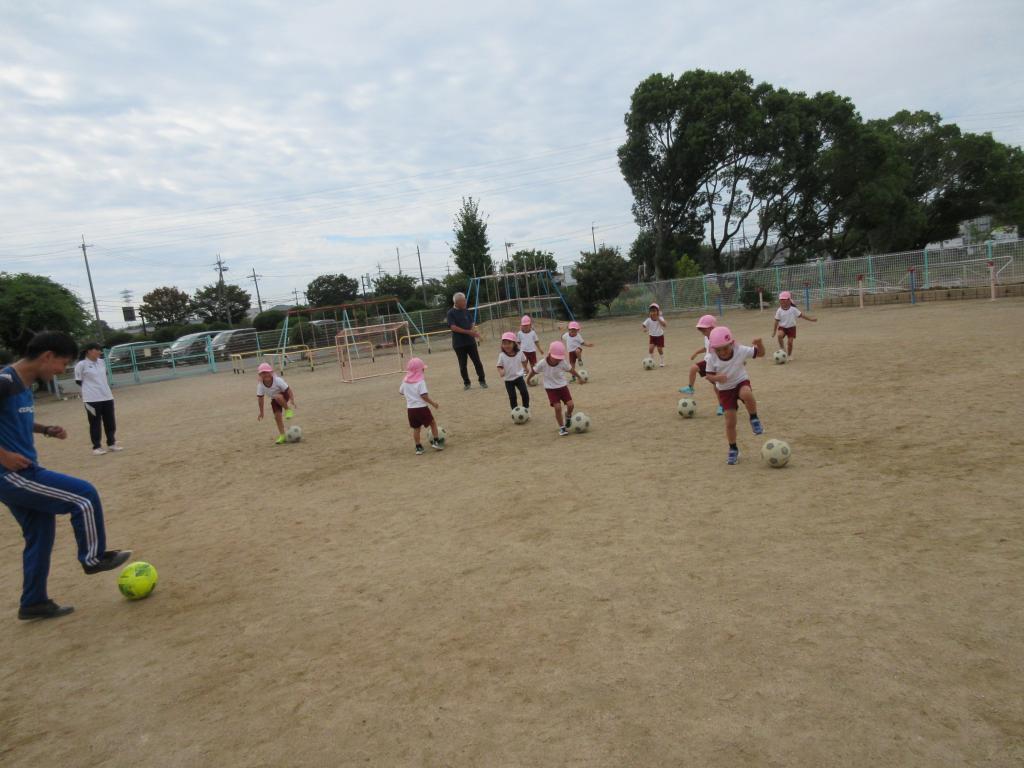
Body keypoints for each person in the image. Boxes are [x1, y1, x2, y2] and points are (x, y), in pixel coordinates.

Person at [0, 331, 132, 620]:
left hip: (23, 470)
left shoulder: (22, 383)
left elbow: (13, 417)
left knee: (40, 534)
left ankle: (33, 602)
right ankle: (94, 558)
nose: (62, 371)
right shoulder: (5, 381)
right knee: (83, 495)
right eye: (62, 363)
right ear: (47, 356)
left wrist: (44, 429)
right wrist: (4, 455)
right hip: (10, 474)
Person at [704, 326, 765, 465]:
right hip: (725, 390)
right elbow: (708, 376)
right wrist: (717, 378)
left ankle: (754, 418)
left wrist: (759, 344)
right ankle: (733, 448)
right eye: (718, 350)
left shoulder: (740, 350)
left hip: (740, 381)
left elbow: (760, 353)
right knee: (730, 422)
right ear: (713, 349)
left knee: (746, 393)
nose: (722, 352)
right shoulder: (712, 358)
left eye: (725, 348)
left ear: (732, 343)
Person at [73, 342, 123, 455]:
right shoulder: (81, 364)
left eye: (100, 350)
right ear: (89, 351)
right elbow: (78, 381)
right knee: (95, 423)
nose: (100, 352)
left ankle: (111, 443)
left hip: (107, 396)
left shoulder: (102, 362)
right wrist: (90, 389)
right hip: (91, 399)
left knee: (110, 421)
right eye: (97, 350)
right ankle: (96, 447)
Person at [527, 340, 583, 437]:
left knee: (571, 405)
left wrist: (579, 377)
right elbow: (534, 371)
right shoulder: (542, 363)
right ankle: (562, 427)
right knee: (557, 407)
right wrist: (528, 379)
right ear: (549, 353)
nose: (557, 360)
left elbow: (571, 370)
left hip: (562, 386)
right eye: (555, 358)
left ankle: (568, 416)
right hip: (551, 389)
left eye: (559, 358)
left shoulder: (562, 362)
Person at [679, 314, 724, 416]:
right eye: (701, 330)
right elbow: (706, 348)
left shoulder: (718, 337)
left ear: (712, 328)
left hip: (716, 364)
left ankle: (722, 405)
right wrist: (696, 352)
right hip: (707, 361)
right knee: (693, 368)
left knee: (717, 387)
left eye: (704, 330)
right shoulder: (706, 337)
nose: (702, 332)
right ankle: (690, 388)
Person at [399, 357, 443, 455]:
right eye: (422, 368)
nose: (423, 370)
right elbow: (424, 396)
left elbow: (401, 392)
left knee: (416, 428)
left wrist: (409, 393)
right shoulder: (420, 381)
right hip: (421, 408)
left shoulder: (405, 381)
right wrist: (433, 403)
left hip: (411, 409)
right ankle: (436, 441)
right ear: (419, 370)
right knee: (432, 423)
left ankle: (418, 447)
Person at [446, 292, 488, 391]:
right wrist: (469, 332)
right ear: (457, 302)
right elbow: (453, 327)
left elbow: (472, 322)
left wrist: (473, 331)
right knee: (463, 365)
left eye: (465, 300)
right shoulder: (450, 313)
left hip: (470, 342)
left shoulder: (466, 311)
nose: (465, 302)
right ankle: (467, 383)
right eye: (463, 300)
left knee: (477, 362)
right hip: (459, 344)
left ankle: (482, 380)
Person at [256, 362, 296, 445]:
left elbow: (288, 390)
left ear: (271, 372)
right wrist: (261, 412)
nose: (265, 374)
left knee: (278, 397)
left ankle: (287, 409)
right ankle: (282, 435)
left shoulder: (277, 380)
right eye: (263, 373)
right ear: (260, 375)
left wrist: (292, 400)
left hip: (284, 395)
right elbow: (260, 399)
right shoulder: (260, 385)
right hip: (274, 400)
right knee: (277, 417)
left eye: (267, 372)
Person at [773, 291, 817, 359]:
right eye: (781, 300)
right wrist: (774, 331)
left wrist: (811, 319)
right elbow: (776, 321)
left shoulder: (793, 309)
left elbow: (802, 315)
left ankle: (789, 355)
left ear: (789, 301)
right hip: (782, 327)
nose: (782, 301)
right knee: (779, 335)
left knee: (790, 343)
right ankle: (782, 348)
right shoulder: (779, 310)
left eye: (784, 299)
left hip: (791, 328)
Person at [497, 332, 531, 412]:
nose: (506, 346)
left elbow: (524, 360)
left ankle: (526, 408)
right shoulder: (502, 355)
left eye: (509, 343)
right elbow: (499, 366)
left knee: (524, 392)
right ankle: (514, 411)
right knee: (512, 396)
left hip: (519, 377)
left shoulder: (519, 352)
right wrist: (501, 371)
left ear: (514, 344)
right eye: (504, 343)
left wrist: (526, 368)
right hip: (508, 380)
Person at [642, 303, 667, 367]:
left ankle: (662, 360)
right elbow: (643, 325)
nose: (653, 313)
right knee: (650, 349)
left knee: (659, 349)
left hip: (659, 336)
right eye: (651, 311)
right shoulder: (648, 319)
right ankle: (651, 361)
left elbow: (664, 325)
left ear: (658, 312)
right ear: (649, 312)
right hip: (652, 336)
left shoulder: (660, 318)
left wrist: (658, 318)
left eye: (654, 311)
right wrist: (645, 329)